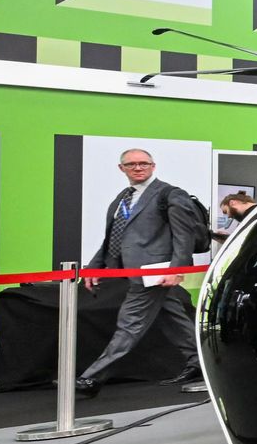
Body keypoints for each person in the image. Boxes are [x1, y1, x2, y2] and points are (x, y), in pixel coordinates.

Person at [76, 149, 206, 397]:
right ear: (121, 168)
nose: (138, 168)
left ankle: (91, 378)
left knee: (129, 322)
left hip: (155, 273)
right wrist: (94, 267)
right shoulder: (122, 198)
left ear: (153, 166)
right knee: (172, 317)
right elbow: (113, 238)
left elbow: (184, 235)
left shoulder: (170, 194)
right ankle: (200, 360)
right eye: (132, 164)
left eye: (143, 163)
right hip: (131, 272)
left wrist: (178, 269)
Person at [215, 191, 256, 258]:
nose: (228, 216)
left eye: (225, 211)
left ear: (232, 203)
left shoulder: (254, 217)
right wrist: (229, 239)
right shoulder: (251, 217)